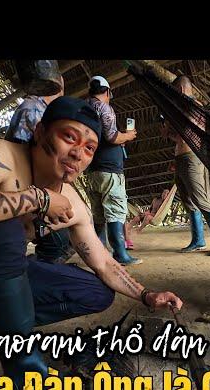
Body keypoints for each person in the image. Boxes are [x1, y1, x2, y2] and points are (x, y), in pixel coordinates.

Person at [0, 96, 183, 390]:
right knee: (4, 230)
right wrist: (38, 199)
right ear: (40, 132)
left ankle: (0, 325)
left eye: (89, 148)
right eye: (69, 137)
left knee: (96, 292)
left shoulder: (72, 202)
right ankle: (29, 375)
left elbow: (103, 262)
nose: (78, 153)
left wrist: (146, 295)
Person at [4, 70, 74, 264]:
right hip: (24, 187)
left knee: (61, 238)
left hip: (33, 188)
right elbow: (23, 154)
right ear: (57, 88)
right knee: (58, 242)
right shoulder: (33, 108)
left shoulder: (38, 109)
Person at [161, 75, 210, 256]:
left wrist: (171, 118)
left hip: (193, 158)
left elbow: (189, 127)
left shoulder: (195, 106)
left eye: (175, 93)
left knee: (201, 199)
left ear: (181, 90)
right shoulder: (179, 109)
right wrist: (168, 130)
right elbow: (180, 136)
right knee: (188, 202)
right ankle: (198, 240)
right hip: (180, 157)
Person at [85, 75, 140, 265]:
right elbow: (112, 136)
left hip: (93, 169)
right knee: (115, 211)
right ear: (107, 92)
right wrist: (127, 135)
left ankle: (99, 253)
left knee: (99, 213)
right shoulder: (104, 108)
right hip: (110, 169)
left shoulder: (85, 108)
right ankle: (120, 254)